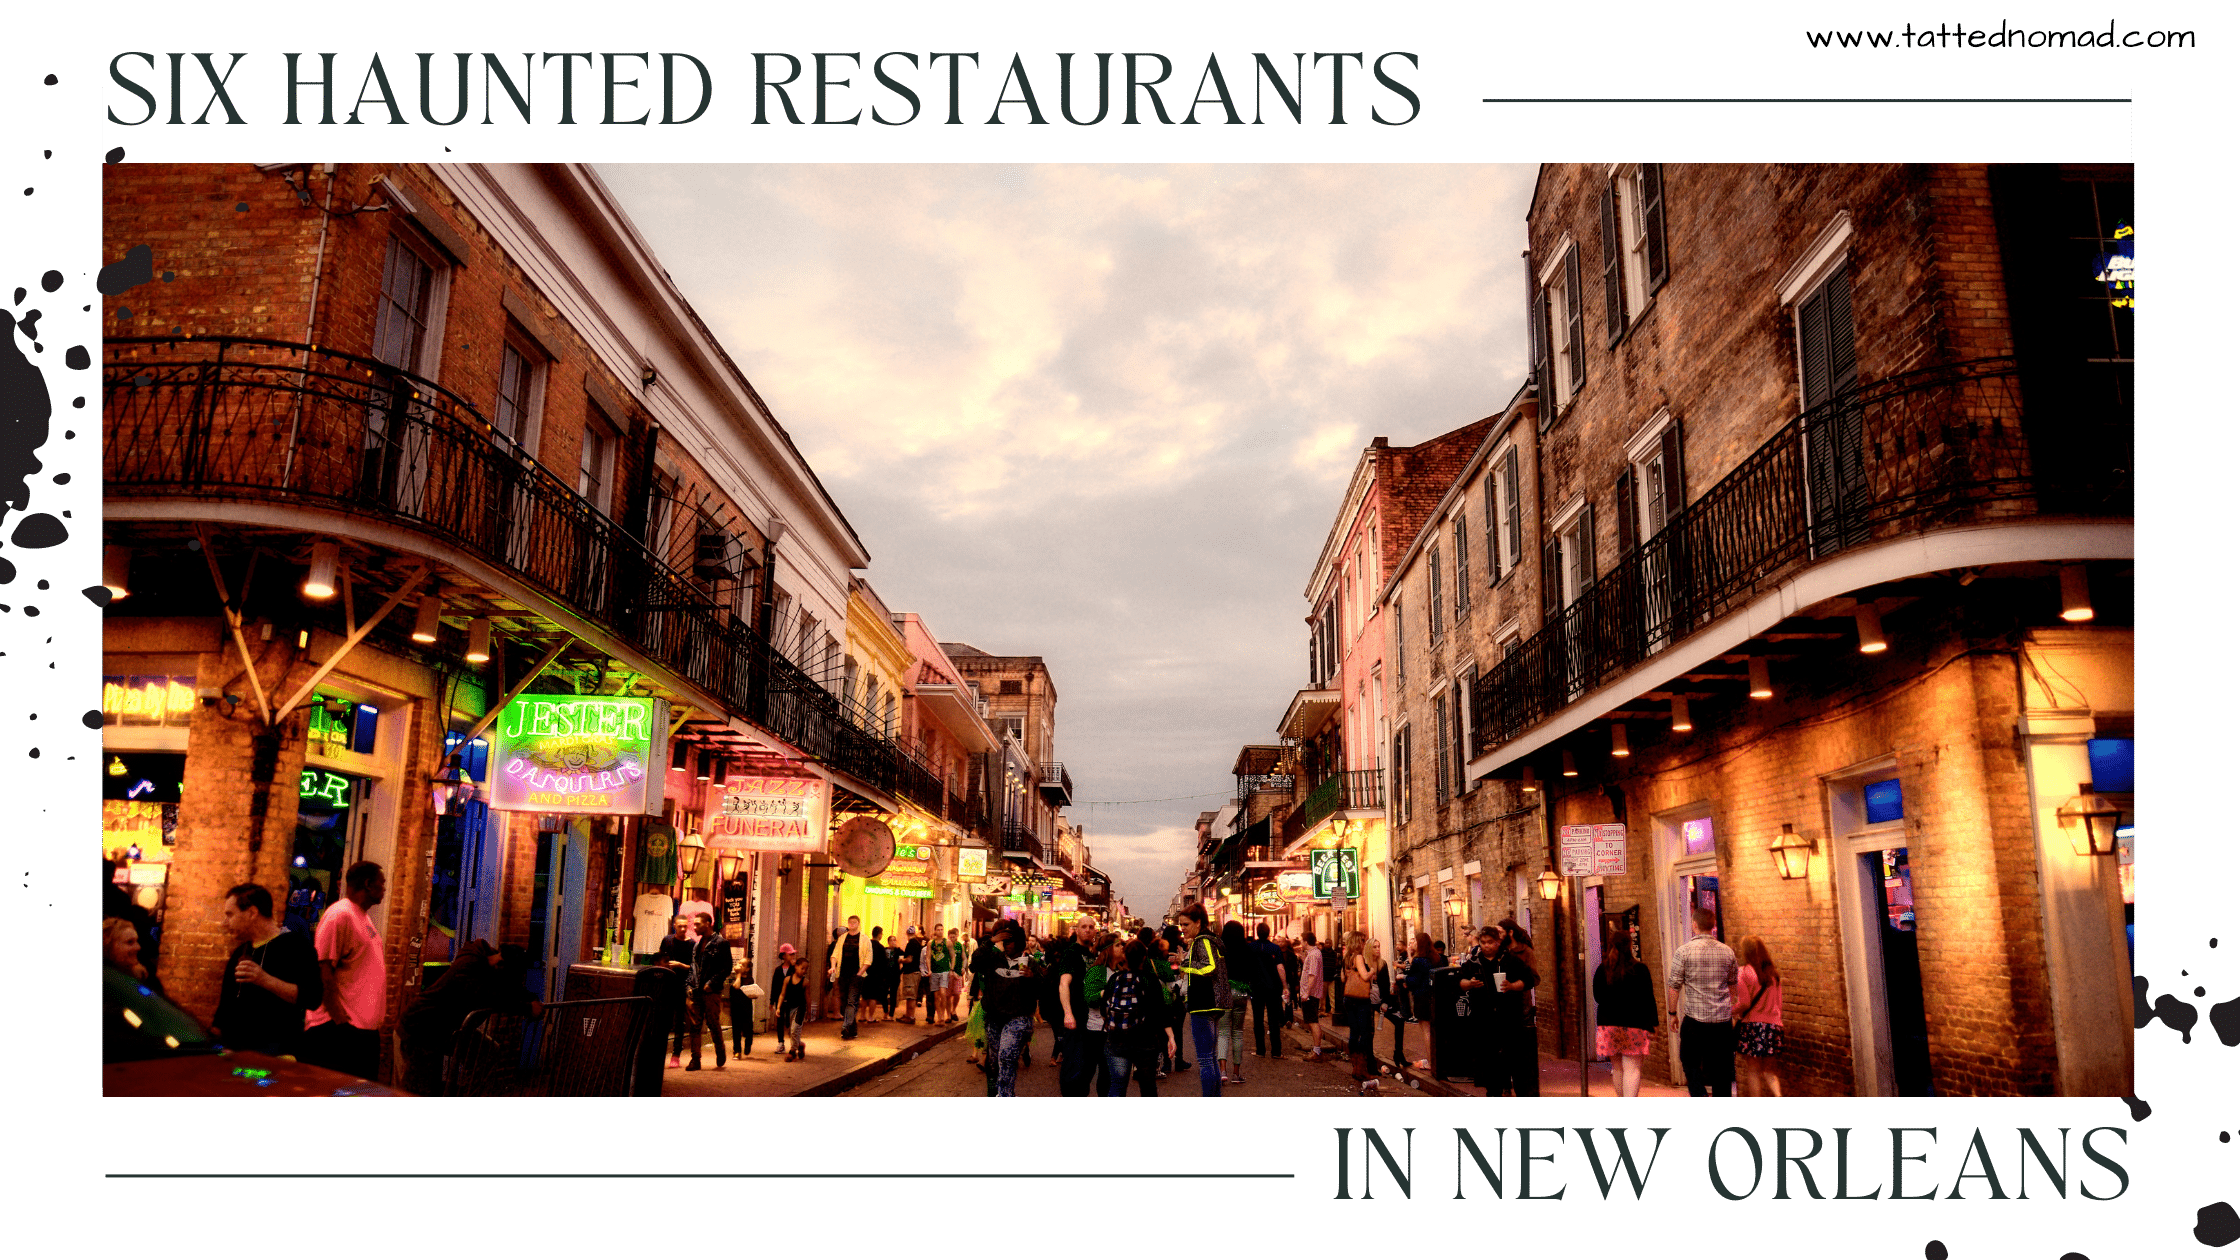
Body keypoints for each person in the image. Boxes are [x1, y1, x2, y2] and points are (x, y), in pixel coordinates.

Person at [396, 940, 540, 1095]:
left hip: (444, 1029)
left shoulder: (490, 965)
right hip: (418, 1029)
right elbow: (490, 996)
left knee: (487, 1052)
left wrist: (530, 999)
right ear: (500, 964)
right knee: (417, 1091)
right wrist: (526, 1008)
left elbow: (509, 988)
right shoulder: (468, 969)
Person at [212, 882, 324, 1058]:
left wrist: (265, 980)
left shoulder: (296, 946)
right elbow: (224, 1012)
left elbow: (312, 997)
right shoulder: (239, 954)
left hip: (278, 1060)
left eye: (230, 915)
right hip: (236, 1058)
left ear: (252, 913)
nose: (225, 923)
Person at [298, 860, 388, 1080]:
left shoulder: (363, 917)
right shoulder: (339, 915)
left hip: (359, 1032)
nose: (385, 888)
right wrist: (340, 1021)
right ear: (368, 884)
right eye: (381, 883)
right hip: (338, 1032)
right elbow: (323, 969)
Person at [1667, 906, 1740, 1097]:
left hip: (1695, 1022)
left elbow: (1674, 986)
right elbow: (1733, 986)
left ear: (1694, 925)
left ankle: (1699, 1095)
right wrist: (1734, 1012)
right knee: (1722, 1069)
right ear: (1713, 926)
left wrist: (1672, 1013)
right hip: (1721, 1021)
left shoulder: (1683, 952)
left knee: (1689, 1062)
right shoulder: (1728, 952)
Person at [1101, 935, 1174, 1096]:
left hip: (1117, 1040)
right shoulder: (1150, 979)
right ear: (1144, 957)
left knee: (1117, 1085)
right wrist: (1170, 1037)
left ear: (1125, 956)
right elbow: (1160, 1010)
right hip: (1145, 1040)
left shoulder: (1115, 978)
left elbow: (1103, 1009)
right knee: (1147, 1086)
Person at [980, 919, 1043, 1097]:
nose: (1006, 944)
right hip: (994, 1017)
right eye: (1003, 941)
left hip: (1019, 1017)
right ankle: (995, 1093)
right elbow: (974, 964)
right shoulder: (994, 959)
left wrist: (1032, 978)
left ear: (1019, 942)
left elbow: (1043, 989)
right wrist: (990, 942)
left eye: (1010, 940)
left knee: (1006, 1056)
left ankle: (1005, 1096)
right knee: (993, 1061)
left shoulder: (1029, 963)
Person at [1592, 930, 1658, 1097]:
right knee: (1632, 1069)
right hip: (1634, 1025)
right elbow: (1648, 999)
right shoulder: (1640, 969)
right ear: (1629, 946)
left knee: (1617, 1068)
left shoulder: (1602, 970)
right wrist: (1652, 1024)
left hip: (1608, 1024)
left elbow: (1598, 997)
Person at [1489, 920, 1543, 1096]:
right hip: (1499, 1006)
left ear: (1510, 933)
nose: (1498, 935)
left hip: (1520, 1006)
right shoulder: (1499, 953)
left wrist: (1514, 985)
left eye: (1500, 932)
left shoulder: (1525, 952)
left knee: (1519, 1051)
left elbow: (1534, 978)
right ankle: (1504, 1085)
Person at [1049, 915, 1101, 1096]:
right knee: (1074, 1064)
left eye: (1091, 927)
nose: (1087, 929)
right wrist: (1068, 1013)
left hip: (1092, 1019)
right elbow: (1064, 983)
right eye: (1084, 926)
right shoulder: (1072, 952)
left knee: (1087, 1067)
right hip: (1076, 1017)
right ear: (1077, 930)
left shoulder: (1093, 954)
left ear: (1095, 931)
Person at [1176, 904, 1225, 1096]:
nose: (1183, 928)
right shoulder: (1213, 939)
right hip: (1214, 1003)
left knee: (1205, 1060)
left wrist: (1184, 964)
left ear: (1198, 922)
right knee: (1211, 1059)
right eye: (1181, 924)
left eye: (1186, 924)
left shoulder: (1202, 941)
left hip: (1203, 1003)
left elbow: (1209, 967)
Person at [1454, 926, 1508, 1095]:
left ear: (1497, 943)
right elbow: (1459, 983)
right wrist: (1469, 984)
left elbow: (1527, 979)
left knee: (1504, 1056)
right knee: (1486, 1056)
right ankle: (1492, 1091)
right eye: (1483, 943)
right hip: (1482, 1015)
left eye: (1490, 942)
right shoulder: (1474, 962)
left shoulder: (1506, 960)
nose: (1486, 946)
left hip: (1505, 1015)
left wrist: (1511, 985)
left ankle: (1501, 1088)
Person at [1733, 935, 1785, 1097]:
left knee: (1753, 1071)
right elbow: (1779, 1005)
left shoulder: (1743, 972)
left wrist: (1730, 1011)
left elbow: (1744, 1003)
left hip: (1753, 1026)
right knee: (1769, 1071)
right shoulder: (1773, 974)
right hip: (1774, 1026)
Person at [684, 912, 732, 1070]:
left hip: (711, 991)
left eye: (698, 924)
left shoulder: (721, 943)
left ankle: (720, 1050)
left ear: (708, 924)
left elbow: (727, 968)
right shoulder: (697, 945)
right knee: (694, 1025)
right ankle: (695, 1059)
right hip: (697, 990)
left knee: (712, 1022)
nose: (694, 927)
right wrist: (689, 986)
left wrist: (712, 982)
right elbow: (693, 968)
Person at [1212, 920, 1253, 1085]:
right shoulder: (1247, 949)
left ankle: (1222, 1071)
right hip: (1241, 992)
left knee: (1222, 1033)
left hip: (1224, 993)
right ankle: (1236, 1073)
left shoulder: (1220, 949)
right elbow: (1252, 971)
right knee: (1237, 1033)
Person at [1339, 932, 1379, 1093]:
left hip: (1348, 998)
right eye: (1362, 941)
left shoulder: (1346, 958)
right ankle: (1361, 1068)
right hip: (1360, 999)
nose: (1364, 944)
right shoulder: (1358, 957)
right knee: (1365, 1033)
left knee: (1354, 1032)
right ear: (1357, 943)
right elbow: (1364, 976)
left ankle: (1355, 1065)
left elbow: (1342, 979)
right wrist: (1372, 971)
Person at [660, 915, 697, 1066]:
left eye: (685, 926)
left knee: (680, 1020)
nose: (682, 929)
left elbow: (694, 968)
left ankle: (676, 1054)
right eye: (679, 926)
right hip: (667, 983)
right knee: (664, 1019)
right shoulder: (667, 940)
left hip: (683, 985)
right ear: (674, 926)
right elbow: (660, 958)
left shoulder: (692, 944)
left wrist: (680, 965)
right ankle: (660, 1052)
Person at [1249, 922, 1287, 1060]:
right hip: (1273, 988)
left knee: (1257, 1019)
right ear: (1268, 932)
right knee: (1273, 1019)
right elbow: (1280, 967)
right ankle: (1276, 1051)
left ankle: (1260, 1050)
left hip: (1256, 988)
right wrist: (1285, 986)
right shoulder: (1275, 948)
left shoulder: (1251, 947)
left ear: (1257, 933)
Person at [829, 915, 870, 1040]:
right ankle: (853, 1029)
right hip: (843, 974)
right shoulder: (842, 938)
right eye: (850, 922)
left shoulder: (864, 939)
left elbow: (868, 959)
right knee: (845, 1002)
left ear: (858, 923)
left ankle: (845, 1027)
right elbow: (834, 955)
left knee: (851, 1001)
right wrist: (833, 967)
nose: (852, 924)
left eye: (854, 922)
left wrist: (860, 972)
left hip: (856, 975)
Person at [771, 945, 809, 1061]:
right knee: (787, 1027)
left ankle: (793, 1050)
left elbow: (807, 996)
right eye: (790, 954)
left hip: (798, 1005)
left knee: (793, 1029)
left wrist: (808, 1010)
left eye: (793, 954)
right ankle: (794, 1044)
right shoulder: (781, 972)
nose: (792, 956)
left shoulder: (801, 978)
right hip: (785, 1004)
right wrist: (775, 1004)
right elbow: (778, 990)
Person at [1297, 929, 1328, 1060]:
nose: (1300, 943)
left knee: (1313, 1021)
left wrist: (1306, 993)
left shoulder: (1314, 955)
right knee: (1310, 1021)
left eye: (1301, 941)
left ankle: (1317, 1051)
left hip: (1311, 994)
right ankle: (1316, 1049)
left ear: (1305, 941)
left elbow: (1312, 975)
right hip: (1310, 993)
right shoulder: (1312, 954)